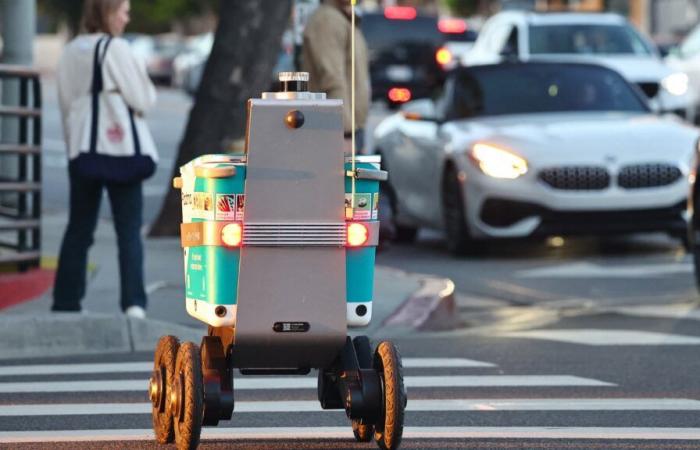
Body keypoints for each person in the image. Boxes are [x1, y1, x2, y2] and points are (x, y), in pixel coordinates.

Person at [52, 0, 156, 318]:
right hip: (120, 150)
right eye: (123, 10)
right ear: (109, 13)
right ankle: (133, 303)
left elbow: (66, 103)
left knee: (79, 229)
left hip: (81, 150)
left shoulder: (70, 51)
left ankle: (67, 302)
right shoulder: (117, 49)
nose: (127, 17)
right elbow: (144, 99)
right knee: (128, 230)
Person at [301, 0, 370, 154]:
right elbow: (332, 79)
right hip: (334, 129)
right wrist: (345, 133)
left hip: (350, 126)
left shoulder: (343, 18)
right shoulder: (327, 20)